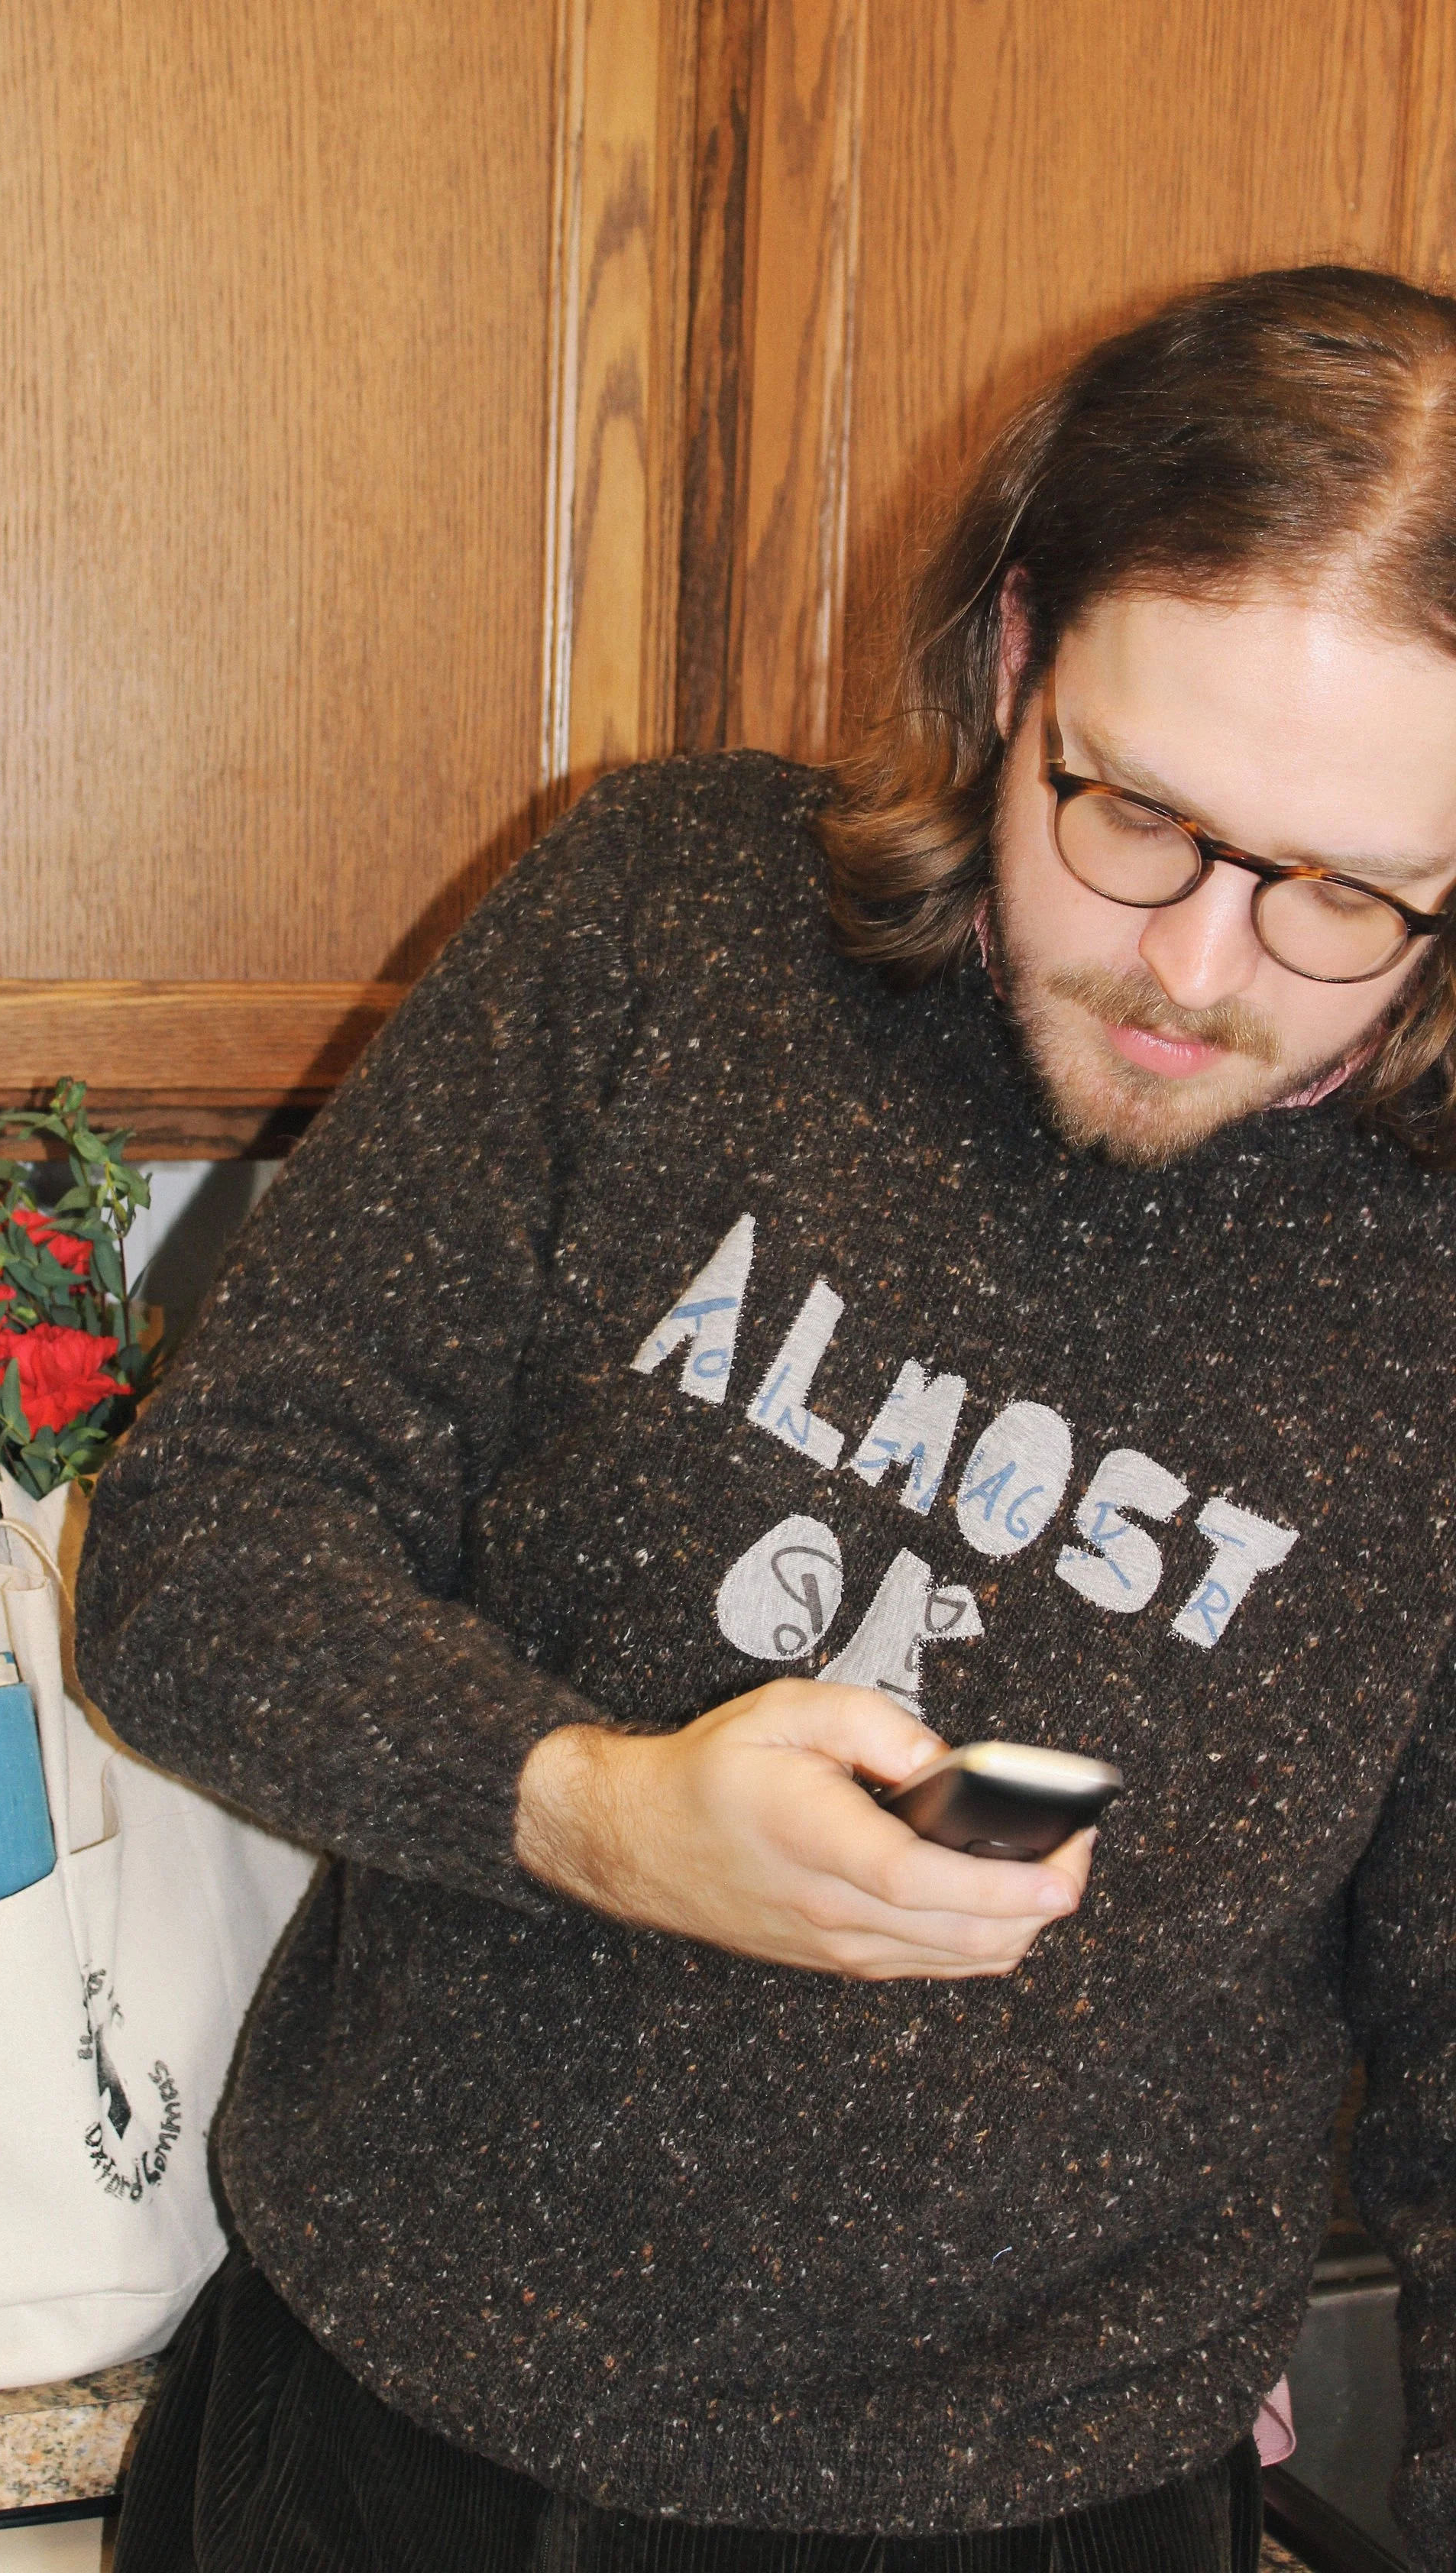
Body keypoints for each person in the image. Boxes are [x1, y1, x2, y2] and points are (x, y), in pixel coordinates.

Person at [75, 266, 1456, 2573]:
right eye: (1134, 816)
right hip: (387, 2436)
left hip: (1037, 2518)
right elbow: (199, 1553)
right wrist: (587, 1811)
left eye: (1347, 894)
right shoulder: (675, 926)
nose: (1196, 970)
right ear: (1013, 662)